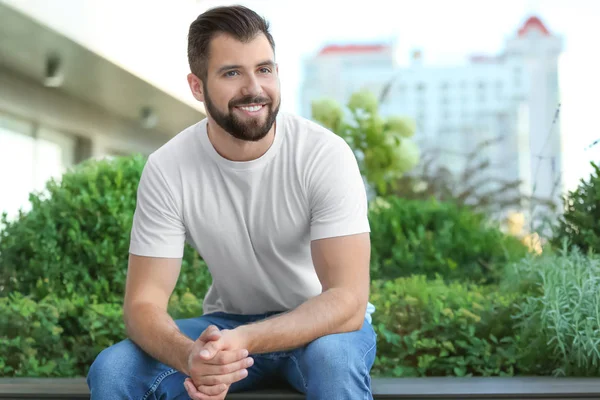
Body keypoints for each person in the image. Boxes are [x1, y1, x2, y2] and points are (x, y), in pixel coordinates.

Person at [87, 5, 376, 400]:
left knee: (333, 364)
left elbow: (348, 301)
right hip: (228, 324)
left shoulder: (323, 154)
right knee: (114, 369)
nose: (253, 88)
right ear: (196, 86)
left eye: (264, 69)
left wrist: (244, 340)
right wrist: (192, 355)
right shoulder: (169, 167)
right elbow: (143, 303)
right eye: (231, 73)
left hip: (320, 326)